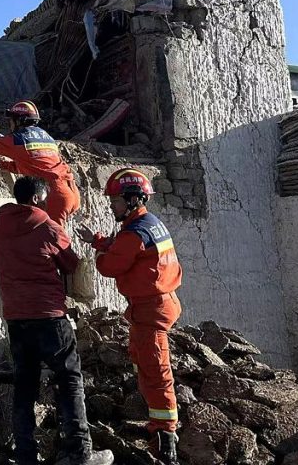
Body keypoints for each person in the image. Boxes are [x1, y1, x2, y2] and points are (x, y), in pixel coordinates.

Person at [0, 176, 114, 465]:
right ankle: (80, 453)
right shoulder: (48, 227)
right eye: (44, 199)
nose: (47, 203)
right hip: (49, 318)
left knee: (25, 385)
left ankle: (25, 455)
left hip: (17, 319)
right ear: (35, 199)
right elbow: (70, 264)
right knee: (69, 380)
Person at [76, 168, 183, 465]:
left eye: (116, 200)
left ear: (133, 199)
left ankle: (165, 438)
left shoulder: (135, 232)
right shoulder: (147, 224)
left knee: (156, 371)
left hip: (151, 309)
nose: (112, 205)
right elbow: (125, 247)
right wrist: (98, 240)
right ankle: (157, 427)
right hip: (155, 304)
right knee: (143, 359)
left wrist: (96, 256)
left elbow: (111, 265)